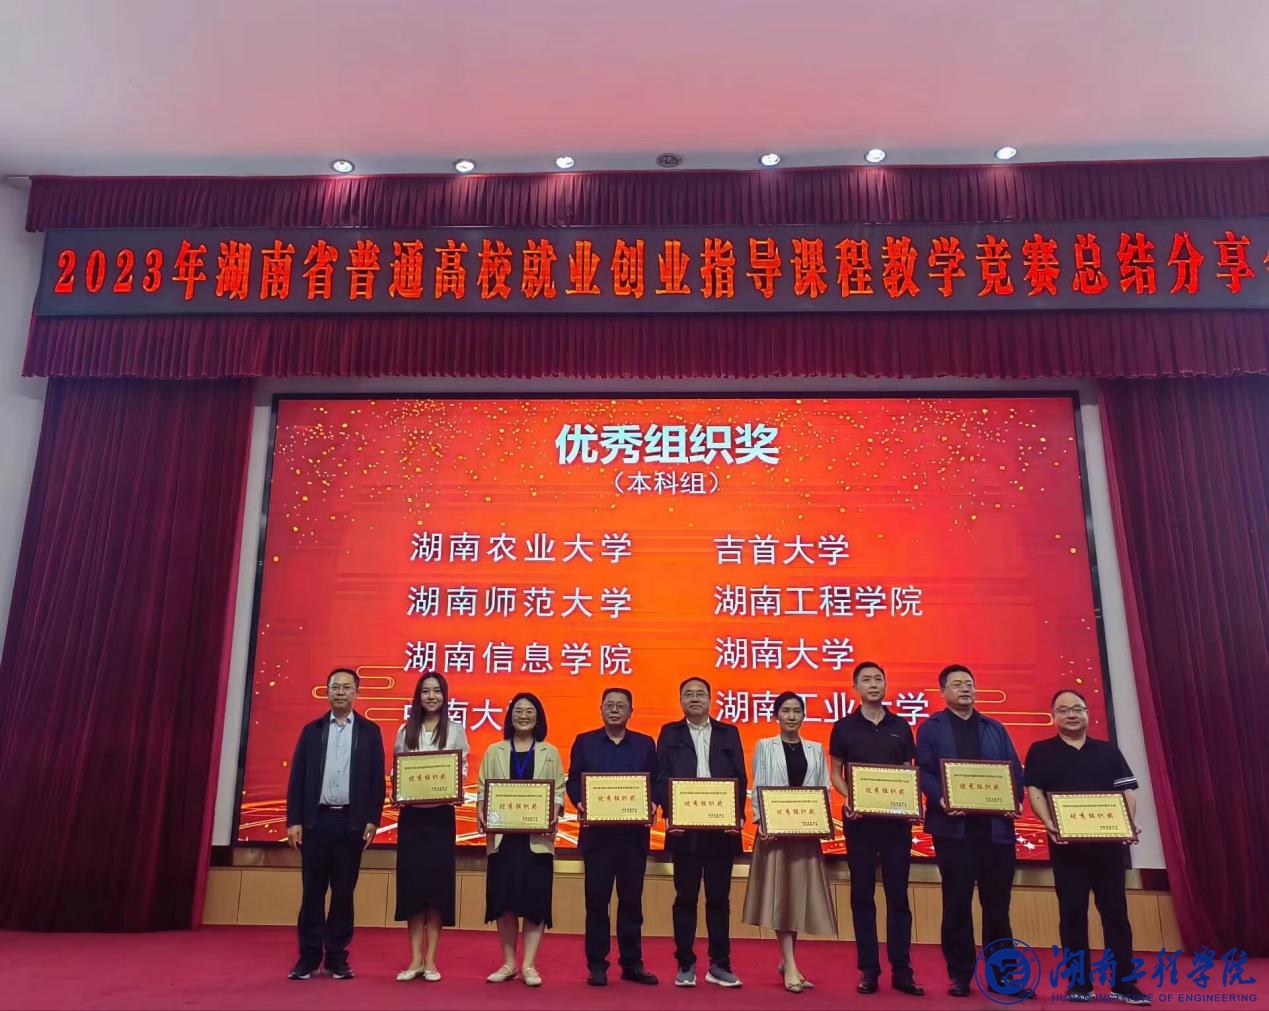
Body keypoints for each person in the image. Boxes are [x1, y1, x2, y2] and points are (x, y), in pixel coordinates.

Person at [1025, 690, 1151, 1007]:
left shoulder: (1107, 751)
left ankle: (1124, 982)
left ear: (1087, 714)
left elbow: (1127, 792)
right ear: (1053, 716)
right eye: (1063, 709)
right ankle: (1079, 982)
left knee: (1116, 915)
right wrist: (1048, 823)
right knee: (1072, 915)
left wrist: (1128, 823)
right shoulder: (1041, 751)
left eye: (1077, 709)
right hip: (1067, 849)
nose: (1071, 714)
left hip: (1108, 849)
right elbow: (1035, 790)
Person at [916, 664, 1026, 999]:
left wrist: (1014, 799)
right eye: (957, 684)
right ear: (943, 692)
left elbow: (1014, 770)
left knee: (998, 907)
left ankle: (1001, 976)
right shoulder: (931, 728)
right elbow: (924, 771)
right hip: (954, 831)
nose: (965, 689)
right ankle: (960, 975)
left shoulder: (994, 728)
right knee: (957, 904)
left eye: (969, 684)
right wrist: (942, 798)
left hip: (995, 832)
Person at [828, 661, 924, 997]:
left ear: (885, 685)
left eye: (878, 679)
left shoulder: (901, 725)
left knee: (898, 896)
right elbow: (836, 773)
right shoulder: (844, 727)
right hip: (860, 824)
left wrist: (911, 804)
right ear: (855, 687)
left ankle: (902, 970)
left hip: (896, 824)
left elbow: (907, 771)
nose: (873, 684)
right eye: (866, 679)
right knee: (862, 895)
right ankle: (869, 969)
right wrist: (850, 798)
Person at [284, 667, 386, 981]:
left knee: (343, 893)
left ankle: (337, 957)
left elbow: (376, 780)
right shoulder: (312, 731)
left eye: (346, 687)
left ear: (357, 693)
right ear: (327, 692)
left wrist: (373, 818)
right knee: (312, 892)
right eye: (335, 687)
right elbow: (297, 777)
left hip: (351, 823)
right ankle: (308, 957)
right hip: (316, 822)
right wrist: (294, 820)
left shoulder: (370, 732)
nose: (340, 692)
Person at [654, 676, 748, 989]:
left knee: (719, 899)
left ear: (710, 699)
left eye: (700, 694)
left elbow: (740, 778)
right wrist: (671, 812)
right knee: (686, 897)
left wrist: (736, 814)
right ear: (681, 700)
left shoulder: (728, 732)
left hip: (721, 830)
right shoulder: (670, 733)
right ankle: (685, 964)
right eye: (688, 694)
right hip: (685, 831)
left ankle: (720, 965)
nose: (694, 698)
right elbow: (661, 778)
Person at [742, 691, 838, 994]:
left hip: (804, 834)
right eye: (786, 710)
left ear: (804, 716)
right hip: (775, 834)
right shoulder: (764, 746)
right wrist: (762, 821)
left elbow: (823, 789)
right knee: (780, 897)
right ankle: (791, 964)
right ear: (776, 716)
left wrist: (822, 823)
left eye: (797, 710)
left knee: (797, 897)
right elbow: (758, 786)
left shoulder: (815, 749)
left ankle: (788, 962)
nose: (792, 716)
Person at [566, 688, 660, 987]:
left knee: (631, 902)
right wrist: (579, 801)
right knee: (597, 902)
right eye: (609, 705)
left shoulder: (645, 743)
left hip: (633, 838)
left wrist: (653, 802)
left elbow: (656, 781)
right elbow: (573, 781)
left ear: (631, 711)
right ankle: (597, 964)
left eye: (621, 705)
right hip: (598, 839)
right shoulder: (585, 741)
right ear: (601, 709)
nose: (615, 709)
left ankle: (632, 964)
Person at [478, 692, 566, 988]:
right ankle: (508, 963)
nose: (524, 715)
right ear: (510, 716)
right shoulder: (494, 751)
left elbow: (558, 792)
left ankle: (529, 965)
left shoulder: (550, 752)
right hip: (503, 840)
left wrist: (552, 814)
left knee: (535, 902)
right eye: (518, 710)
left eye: (530, 711)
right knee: (504, 902)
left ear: (538, 717)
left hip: (536, 840)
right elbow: (483, 790)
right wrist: (482, 812)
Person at [392, 672, 470, 982]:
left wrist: (452, 784)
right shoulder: (405, 730)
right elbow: (397, 770)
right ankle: (415, 960)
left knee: (437, 889)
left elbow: (462, 771)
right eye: (425, 691)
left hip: (441, 818)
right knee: (412, 887)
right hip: (412, 818)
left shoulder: (455, 730)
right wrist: (400, 788)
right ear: (418, 696)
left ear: (444, 696)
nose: (431, 696)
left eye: (437, 691)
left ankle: (432, 960)